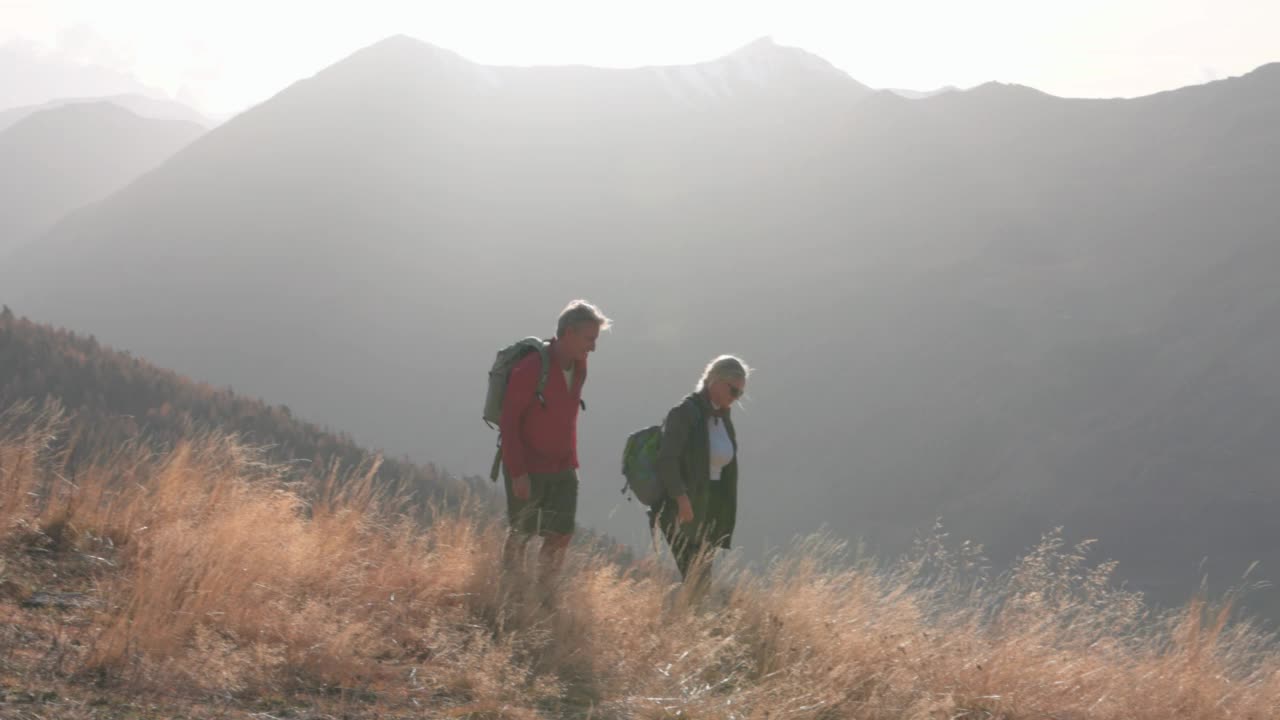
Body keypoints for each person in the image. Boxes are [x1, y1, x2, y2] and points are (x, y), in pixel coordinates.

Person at [499, 299, 610, 589]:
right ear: (568, 333)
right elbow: (509, 423)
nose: (594, 347)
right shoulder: (531, 369)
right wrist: (518, 472)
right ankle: (509, 590)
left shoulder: (580, 366)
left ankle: (545, 593)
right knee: (522, 532)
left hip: (564, 467)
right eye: (589, 339)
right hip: (529, 466)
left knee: (560, 534)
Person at [651, 354, 749, 600]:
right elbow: (667, 460)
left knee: (700, 578)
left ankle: (683, 626)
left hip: (709, 507)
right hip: (683, 508)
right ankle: (677, 626)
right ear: (714, 380)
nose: (736, 398)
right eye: (733, 390)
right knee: (698, 580)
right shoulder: (684, 413)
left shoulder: (722, 416)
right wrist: (681, 499)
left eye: (740, 393)